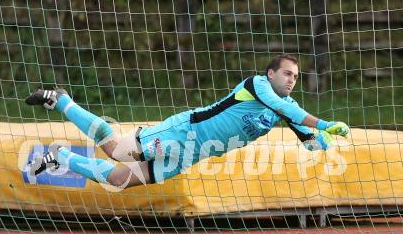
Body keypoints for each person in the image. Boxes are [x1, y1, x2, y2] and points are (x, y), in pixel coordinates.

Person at [26, 54, 349, 189]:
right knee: (118, 150)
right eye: (287, 74)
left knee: (119, 180)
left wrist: (325, 141)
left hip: (195, 152)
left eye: (296, 76)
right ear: (271, 74)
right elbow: (294, 114)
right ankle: (62, 100)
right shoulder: (259, 86)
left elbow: (307, 138)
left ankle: (61, 157)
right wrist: (323, 123)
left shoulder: (285, 106)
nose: (292, 80)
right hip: (185, 131)